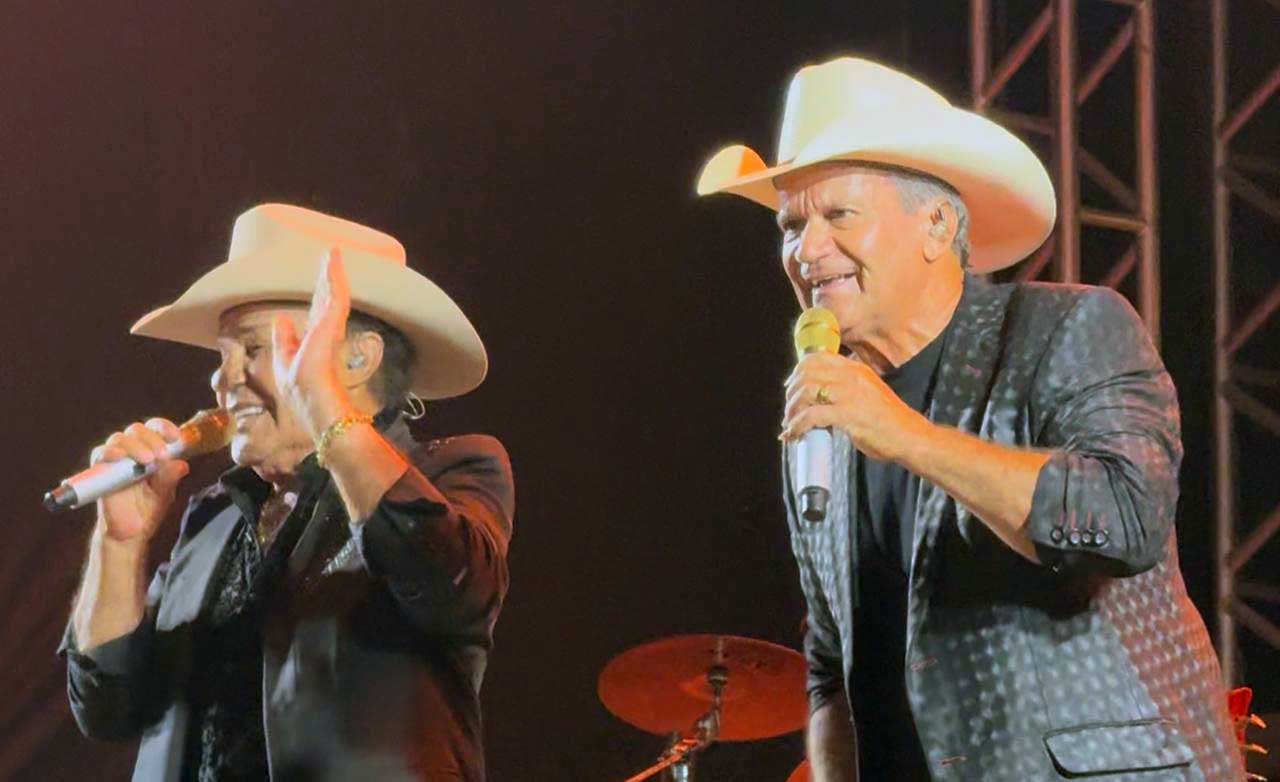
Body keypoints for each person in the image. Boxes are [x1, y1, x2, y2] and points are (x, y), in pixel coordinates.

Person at [698, 58, 1243, 781]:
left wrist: (909, 438)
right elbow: (831, 667)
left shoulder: (1069, 328)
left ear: (936, 225)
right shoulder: (824, 424)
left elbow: (1125, 516)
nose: (807, 249)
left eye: (837, 214)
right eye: (790, 224)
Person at [59, 203, 513, 781]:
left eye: (253, 349)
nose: (221, 381)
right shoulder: (211, 520)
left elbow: (447, 583)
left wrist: (323, 403)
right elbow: (107, 709)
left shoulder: (455, 470)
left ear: (356, 357)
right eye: (221, 358)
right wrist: (119, 544)